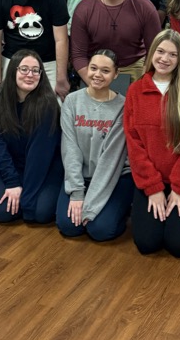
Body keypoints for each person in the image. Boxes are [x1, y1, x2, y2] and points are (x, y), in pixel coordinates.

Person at [123, 30, 180, 257]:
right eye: (160, 52)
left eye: (172, 55)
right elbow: (133, 143)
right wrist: (153, 188)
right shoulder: (136, 90)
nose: (165, 59)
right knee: (147, 243)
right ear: (152, 53)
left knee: (178, 246)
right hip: (151, 180)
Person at [56, 50, 133, 241]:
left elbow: (110, 160)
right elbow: (70, 149)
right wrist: (77, 193)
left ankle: (124, 209)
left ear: (116, 74)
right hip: (82, 176)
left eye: (105, 71)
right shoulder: (72, 102)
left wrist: (90, 206)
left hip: (114, 177)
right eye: (93, 68)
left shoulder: (124, 107)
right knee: (69, 227)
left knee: (101, 231)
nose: (97, 75)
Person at [0, 50, 64, 224]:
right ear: (13, 70)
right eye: (24, 69)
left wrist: (27, 200)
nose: (30, 75)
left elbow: (40, 155)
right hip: (13, 165)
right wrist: (12, 183)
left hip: (44, 168)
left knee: (39, 213)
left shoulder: (47, 104)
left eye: (36, 70)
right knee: (2, 213)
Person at [71, 0, 161, 84]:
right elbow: (78, 56)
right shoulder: (84, 9)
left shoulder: (144, 6)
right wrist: (94, 84)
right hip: (95, 71)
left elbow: (155, 50)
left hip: (134, 67)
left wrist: (143, 82)